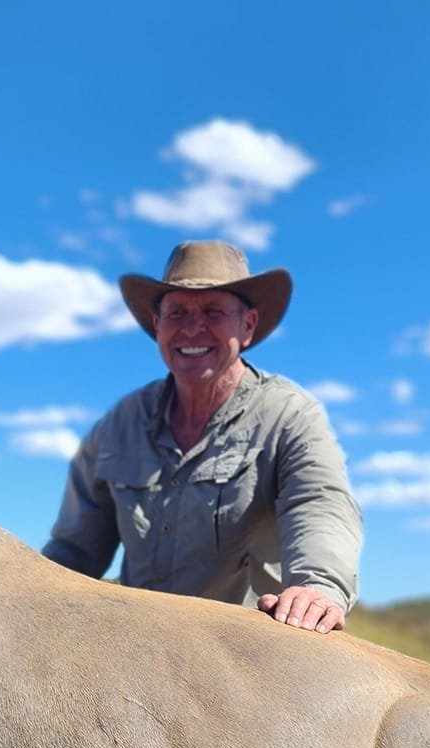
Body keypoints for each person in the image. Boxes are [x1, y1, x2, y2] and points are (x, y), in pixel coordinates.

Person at [43, 240, 361, 632]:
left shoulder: (289, 416)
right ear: (157, 325)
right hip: (134, 651)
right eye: (176, 312)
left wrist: (317, 585)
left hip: (245, 654)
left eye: (213, 311)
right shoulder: (119, 424)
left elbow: (320, 503)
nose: (192, 327)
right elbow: (72, 553)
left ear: (247, 326)